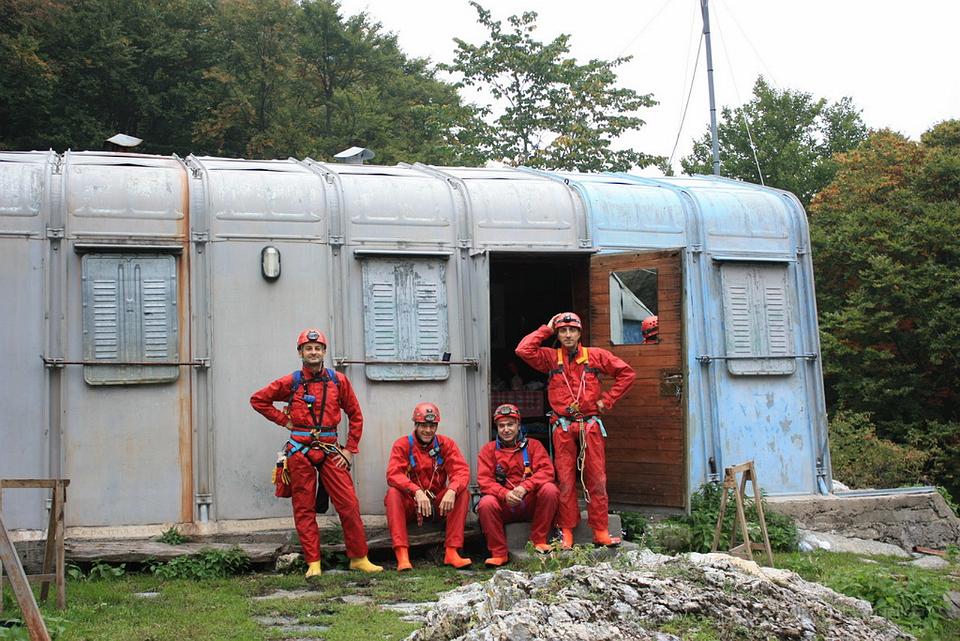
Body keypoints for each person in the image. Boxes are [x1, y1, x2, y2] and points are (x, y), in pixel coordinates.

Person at [250, 328, 382, 579]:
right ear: (300, 352)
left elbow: (355, 415)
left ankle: (359, 558)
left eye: (317, 348)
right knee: (304, 508)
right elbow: (258, 400)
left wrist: (349, 449)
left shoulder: (338, 381)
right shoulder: (291, 382)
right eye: (308, 348)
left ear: (324, 352)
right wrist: (284, 421)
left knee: (349, 504)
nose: (313, 352)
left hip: (331, 451)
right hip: (300, 453)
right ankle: (314, 562)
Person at [516, 312, 636, 548]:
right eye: (563, 331)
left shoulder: (596, 356)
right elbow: (523, 350)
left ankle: (600, 531)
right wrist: (546, 329)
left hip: (589, 424)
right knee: (565, 480)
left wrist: (607, 400)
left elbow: (627, 373)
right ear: (558, 334)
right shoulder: (551, 358)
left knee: (597, 478)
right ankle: (567, 531)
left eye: (572, 330)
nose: (568, 335)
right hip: (562, 425)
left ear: (580, 333)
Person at [385, 402, 472, 570]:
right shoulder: (402, 444)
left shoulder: (446, 444)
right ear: (416, 425)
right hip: (413, 506)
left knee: (462, 492)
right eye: (423, 425)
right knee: (393, 493)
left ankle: (452, 552)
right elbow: (393, 474)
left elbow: (461, 471)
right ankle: (402, 555)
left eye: (432, 426)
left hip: (438, 505)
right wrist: (416, 491)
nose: (428, 430)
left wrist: (452, 489)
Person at [476, 404, 559, 566]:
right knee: (486, 503)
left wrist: (525, 487)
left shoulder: (534, 446)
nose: (506, 429)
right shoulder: (488, 450)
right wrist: (504, 494)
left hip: (529, 502)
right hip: (504, 506)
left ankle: (538, 540)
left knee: (550, 490)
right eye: (501, 426)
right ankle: (499, 553)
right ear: (497, 428)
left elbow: (547, 471)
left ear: (518, 425)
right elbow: (484, 481)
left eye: (510, 424)